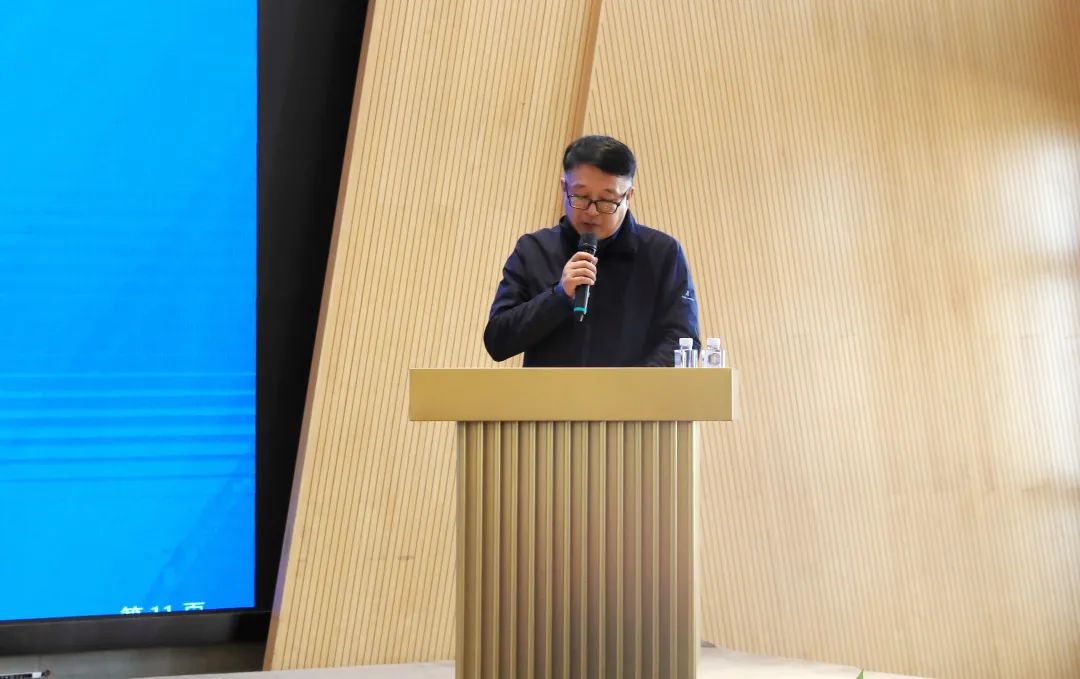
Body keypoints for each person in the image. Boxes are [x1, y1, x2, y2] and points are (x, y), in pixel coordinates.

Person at [483, 135, 700, 366]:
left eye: (607, 201)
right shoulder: (534, 249)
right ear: (564, 187)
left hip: (633, 390)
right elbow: (498, 341)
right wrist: (558, 296)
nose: (592, 212)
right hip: (550, 390)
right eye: (581, 197)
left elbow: (682, 341)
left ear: (628, 196)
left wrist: (632, 384)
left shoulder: (662, 253)